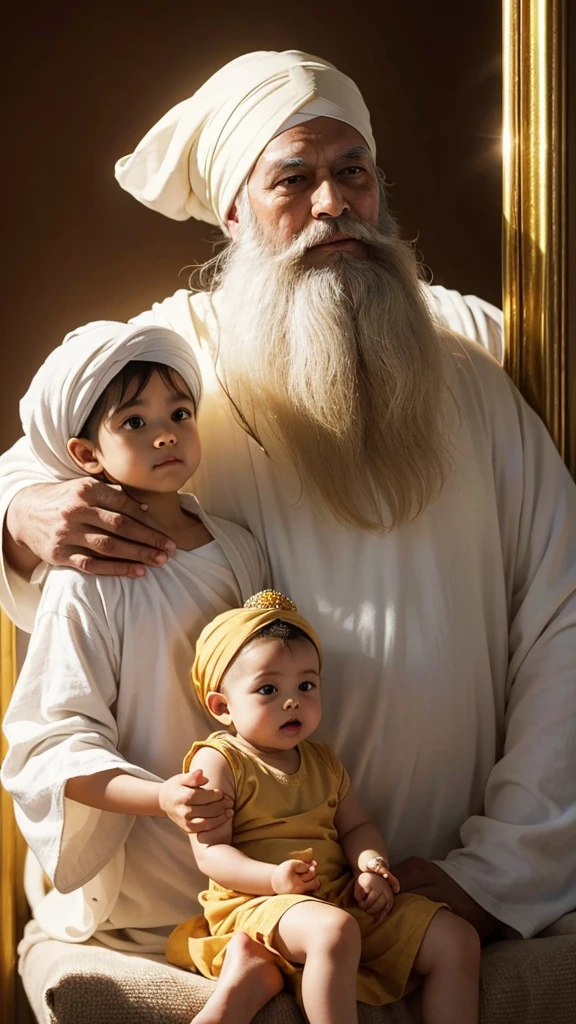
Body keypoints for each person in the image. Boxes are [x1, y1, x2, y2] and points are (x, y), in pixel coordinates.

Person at [0, 46, 575, 1011]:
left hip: (434, 884)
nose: (332, 205)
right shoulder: (174, 364)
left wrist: (500, 869)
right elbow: (42, 445)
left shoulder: (468, 373)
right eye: (293, 180)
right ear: (233, 213)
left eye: (353, 172)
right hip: (242, 895)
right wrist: (21, 505)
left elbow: (564, 616)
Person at [1, 320, 285, 1021]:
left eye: (179, 415)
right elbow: (51, 742)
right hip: (149, 855)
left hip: (233, 834)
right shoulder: (87, 580)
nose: (165, 434)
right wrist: (163, 798)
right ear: (85, 454)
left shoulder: (240, 550)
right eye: (136, 420)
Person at [167, 590, 480, 1024]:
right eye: (269, 688)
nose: (291, 700)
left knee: (456, 939)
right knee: (334, 932)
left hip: (334, 899)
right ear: (223, 707)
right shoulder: (220, 760)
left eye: (306, 685)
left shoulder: (323, 760)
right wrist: (273, 878)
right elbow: (211, 854)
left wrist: (371, 865)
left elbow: (357, 827)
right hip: (255, 901)